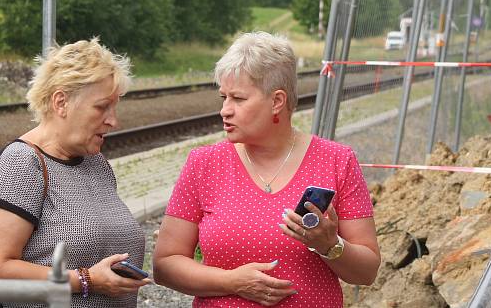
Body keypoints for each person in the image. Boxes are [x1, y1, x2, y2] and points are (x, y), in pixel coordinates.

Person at [154, 32, 380, 307]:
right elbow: (165, 264)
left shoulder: (336, 161)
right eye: (223, 97)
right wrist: (233, 281)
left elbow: (367, 271)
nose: (225, 110)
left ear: (277, 101)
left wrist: (329, 245)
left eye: (238, 99)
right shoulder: (204, 164)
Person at [0, 38, 149, 308]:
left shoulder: (96, 163)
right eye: (101, 107)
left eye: (114, 107)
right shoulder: (22, 163)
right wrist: (85, 280)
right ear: (61, 102)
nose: (113, 120)